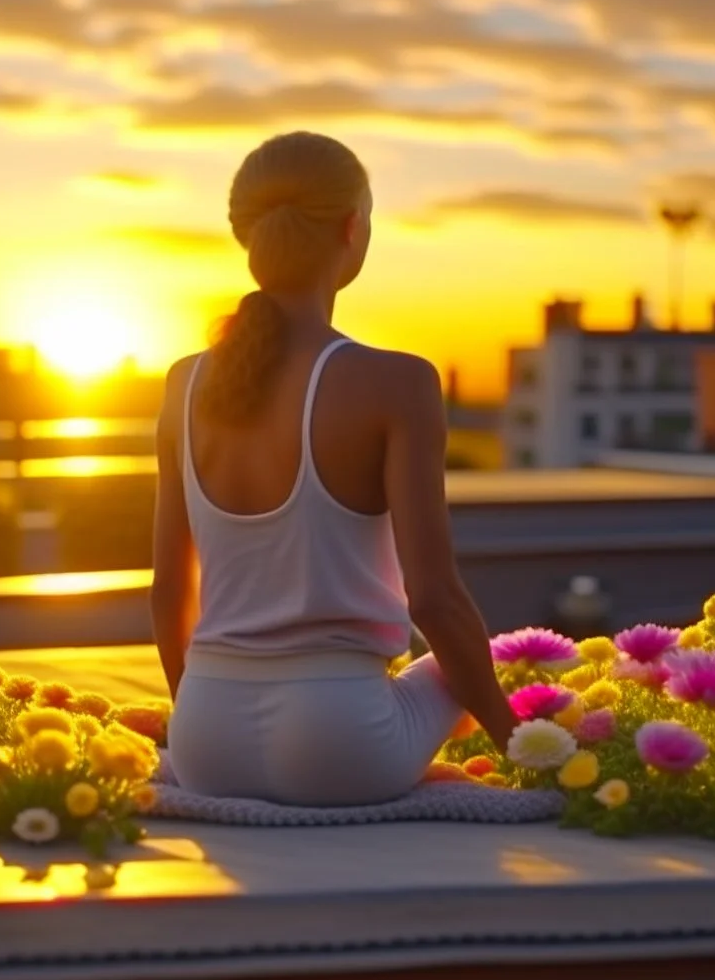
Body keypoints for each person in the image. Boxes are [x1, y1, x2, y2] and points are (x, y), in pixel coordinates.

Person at [152, 131, 517, 806]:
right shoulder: (397, 382)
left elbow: (170, 589)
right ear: (353, 228)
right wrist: (525, 748)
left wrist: (203, 722)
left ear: (248, 233)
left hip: (203, 733)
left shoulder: (185, 383)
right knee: (464, 666)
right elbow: (434, 599)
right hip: (343, 740)